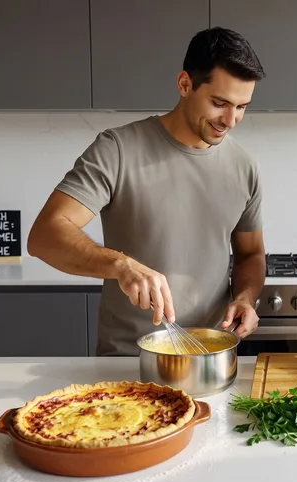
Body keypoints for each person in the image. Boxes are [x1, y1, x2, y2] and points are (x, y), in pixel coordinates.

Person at [27, 27, 267, 356]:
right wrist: (121, 265)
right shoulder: (118, 150)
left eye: (241, 107)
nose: (231, 119)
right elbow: (44, 235)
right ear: (185, 84)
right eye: (219, 103)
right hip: (127, 361)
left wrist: (245, 298)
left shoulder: (244, 165)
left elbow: (250, 255)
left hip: (210, 359)